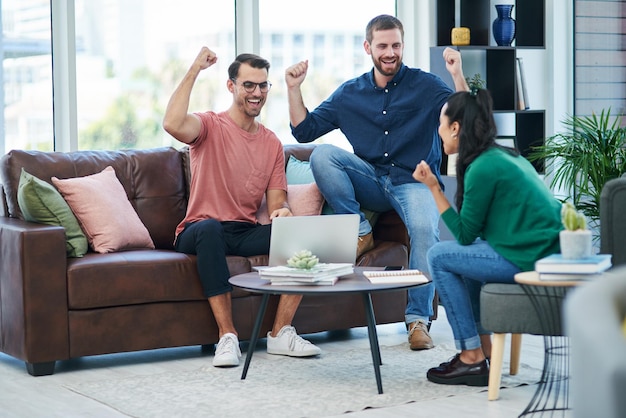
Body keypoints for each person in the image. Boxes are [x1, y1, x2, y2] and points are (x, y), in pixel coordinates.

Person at [285, 14, 468, 350]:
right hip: (369, 179)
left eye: (396, 45)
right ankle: (360, 230)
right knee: (323, 154)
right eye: (382, 45)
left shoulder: (425, 86)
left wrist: (456, 73)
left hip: (413, 181)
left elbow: (465, 116)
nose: (390, 52)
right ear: (368, 47)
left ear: (402, 46)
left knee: (427, 230)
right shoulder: (349, 93)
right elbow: (305, 130)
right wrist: (293, 89)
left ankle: (417, 320)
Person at [163, 47, 321, 368]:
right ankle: (227, 337)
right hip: (199, 229)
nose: (257, 92)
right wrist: (195, 67)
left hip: (241, 230)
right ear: (231, 86)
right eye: (248, 85)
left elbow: (277, 202)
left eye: (263, 85)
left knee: (302, 237)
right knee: (208, 229)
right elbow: (172, 122)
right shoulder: (210, 126)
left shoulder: (272, 143)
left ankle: (280, 333)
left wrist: (283, 214)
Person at [412, 88, 562, 386]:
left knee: (439, 256)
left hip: (529, 260)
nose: (438, 131)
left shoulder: (483, 167)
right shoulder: (501, 156)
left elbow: (465, 235)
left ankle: (470, 356)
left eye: (441, 124)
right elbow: (476, 233)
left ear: (455, 128)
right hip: (541, 252)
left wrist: (433, 188)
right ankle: (484, 348)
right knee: (460, 259)